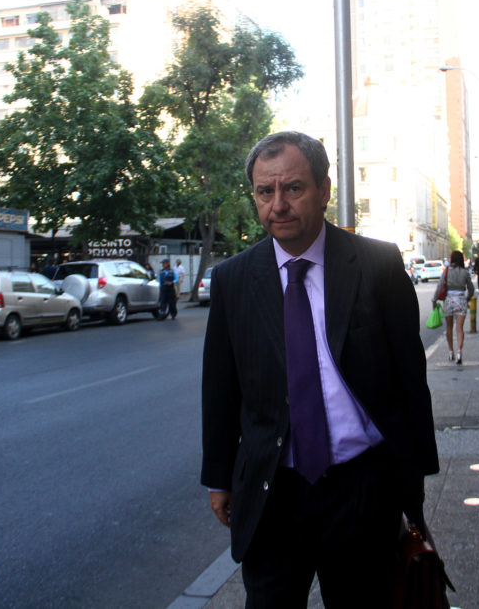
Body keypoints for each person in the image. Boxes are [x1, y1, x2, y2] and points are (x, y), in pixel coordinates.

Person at [201, 132, 438, 607]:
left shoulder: (376, 264)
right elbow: (221, 389)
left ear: (324, 190)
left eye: (293, 188)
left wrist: (412, 482)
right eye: (265, 192)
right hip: (273, 492)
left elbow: (409, 379)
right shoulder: (234, 280)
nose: (278, 205)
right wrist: (219, 477)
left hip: (361, 488)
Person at [435, 250, 475, 364]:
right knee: (459, 328)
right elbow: (471, 288)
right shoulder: (465, 272)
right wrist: (467, 298)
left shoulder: (447, 271)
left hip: (449, 301)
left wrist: (434, 299)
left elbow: (440, 285)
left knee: (449, 327)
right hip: (461, 300)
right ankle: (459, 352)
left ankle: (450, 351)